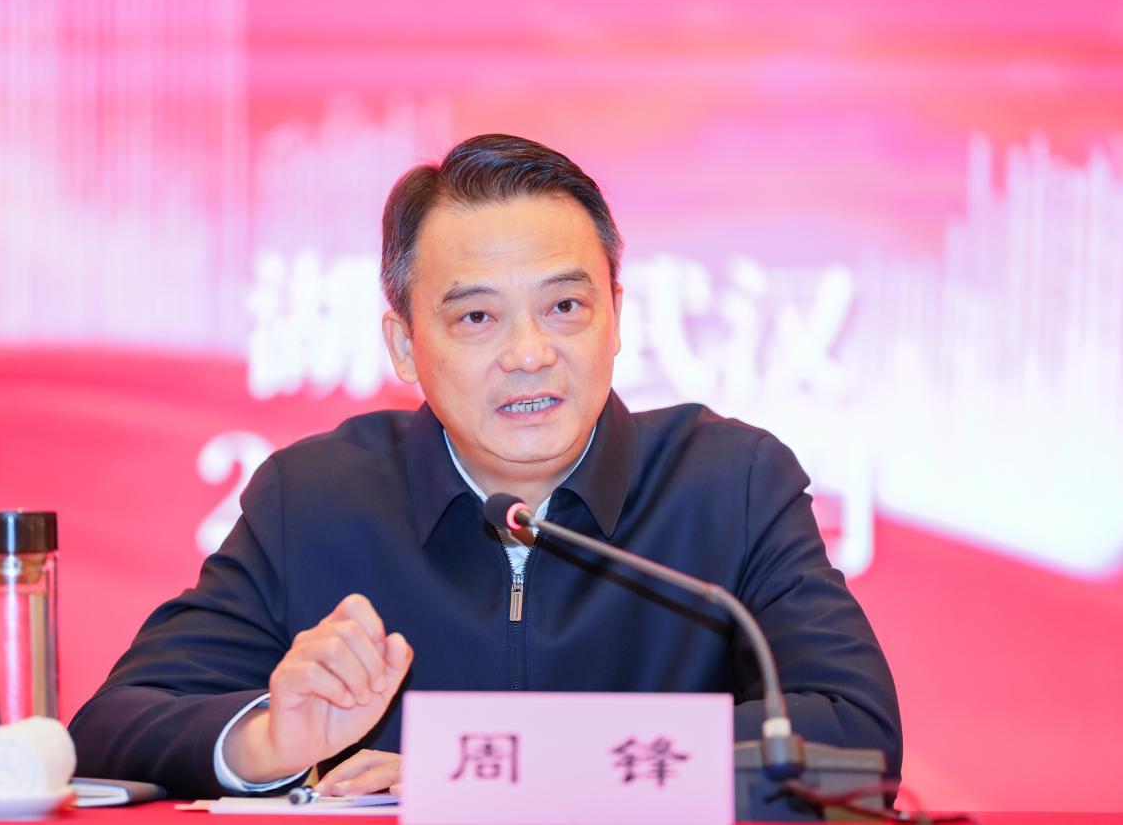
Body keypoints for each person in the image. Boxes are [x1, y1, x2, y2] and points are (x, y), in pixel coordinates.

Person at [68, 134, 901, 800]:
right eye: (476, 318)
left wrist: (495, 768)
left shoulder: (728, 484)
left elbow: (852, 734)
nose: (530, 354)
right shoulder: (315, 500)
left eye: (565, 306)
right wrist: (269, 741)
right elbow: (110, 728)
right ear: (404, 345)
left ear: (616, 316)